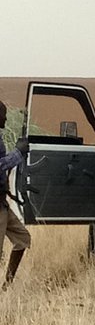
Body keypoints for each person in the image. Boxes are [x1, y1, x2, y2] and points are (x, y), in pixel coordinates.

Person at [0, 102, 31, 286]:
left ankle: (7, 285)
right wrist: (17, 154)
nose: (6, 118)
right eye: (3, 114)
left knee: (23, 239)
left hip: (2, 203)